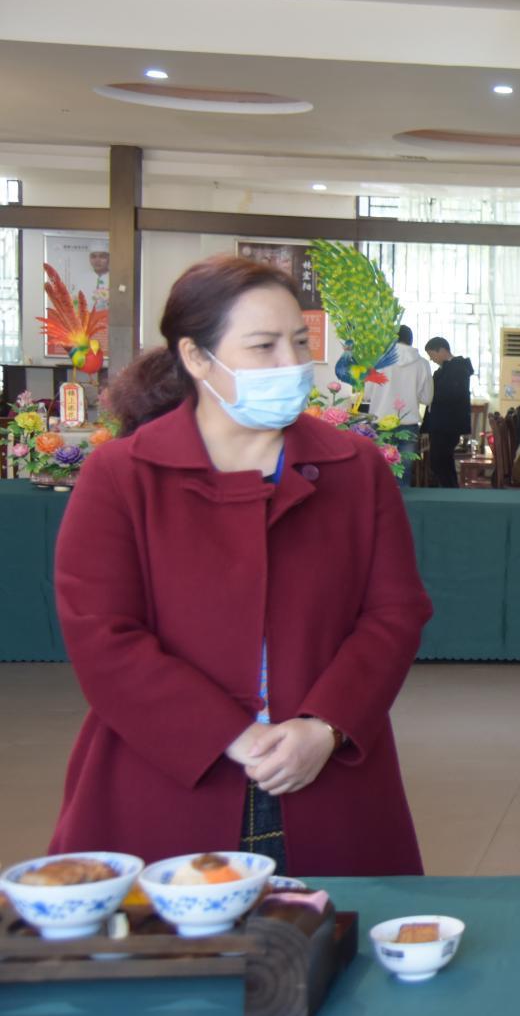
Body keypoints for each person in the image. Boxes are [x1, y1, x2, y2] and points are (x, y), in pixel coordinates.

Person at [50, 255, 430, 875]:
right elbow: (101, 633)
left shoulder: (354, 468)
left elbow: (394, 612)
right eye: (264, 346)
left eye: (300, 342)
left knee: (332, 950)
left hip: (327, 779)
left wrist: (325, 726)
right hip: (167, 780)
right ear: (198, 358)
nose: (292, 365)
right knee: (169, 958)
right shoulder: (122, 475)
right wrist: (231, 733)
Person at [364, 324, 432, 486]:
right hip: (408, 424)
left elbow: (367, 395)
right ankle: (402, 508)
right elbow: (427, 398)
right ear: (411, 340)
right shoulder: (422, 363)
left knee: (380, 471)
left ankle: (381, 507)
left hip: (380, 422)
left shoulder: (378, 362)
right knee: (403, 472)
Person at [422, 337, 473, 489]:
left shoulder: (458, 368)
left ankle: (450, 490)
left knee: (440, 460)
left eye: (432, 354)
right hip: (440, 423)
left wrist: (431, 394)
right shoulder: (444, 370)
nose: (431, 359)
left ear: (442, 350)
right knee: (441, 461)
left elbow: (452, 394)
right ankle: (449, 489)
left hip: (448, 423)